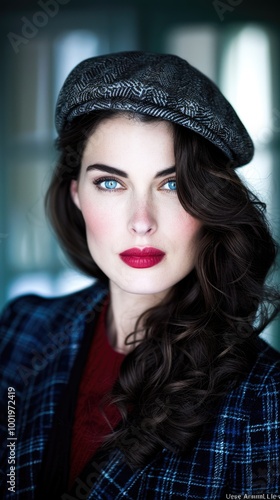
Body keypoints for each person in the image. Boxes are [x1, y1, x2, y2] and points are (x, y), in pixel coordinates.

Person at [0, 51, 279, 500]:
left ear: (210, 202)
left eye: (171, 184)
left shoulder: (265, 398)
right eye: (111, 182)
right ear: (76, 195)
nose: (142, 221)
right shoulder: (20, 331)